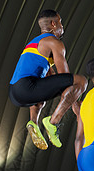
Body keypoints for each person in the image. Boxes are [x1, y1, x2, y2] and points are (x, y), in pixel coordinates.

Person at [9, 9, 87, 150]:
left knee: (42, 88)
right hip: (27, 87)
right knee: (81, 81)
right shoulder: (54, 42)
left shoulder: (34, 43)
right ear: (53, 23)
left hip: (15, 92)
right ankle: (53, 122)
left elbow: (51, 77)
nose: (62, 26)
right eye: (60, 22)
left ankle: (33, 122)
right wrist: (75, 106)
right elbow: (65, 76)